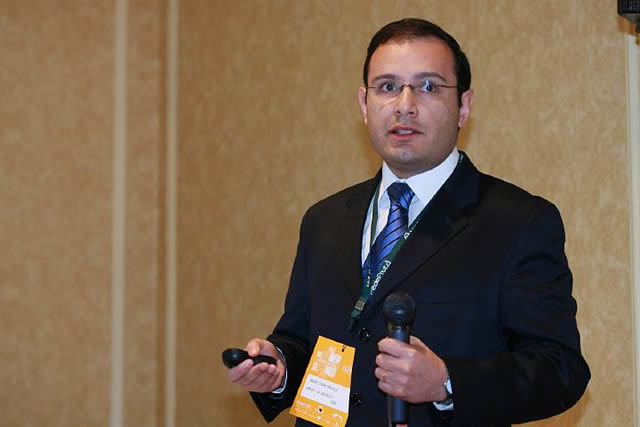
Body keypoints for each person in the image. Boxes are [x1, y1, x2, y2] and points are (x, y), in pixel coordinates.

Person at [226, 17, 590, 427]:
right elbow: (302, 339)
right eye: (387, 87)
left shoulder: (518, 221)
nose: (404, 105)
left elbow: (561, 369)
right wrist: (279, 367)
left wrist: (447, 383)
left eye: (428, 86)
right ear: (364, 105)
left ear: (464, 106)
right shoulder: (324, 221)